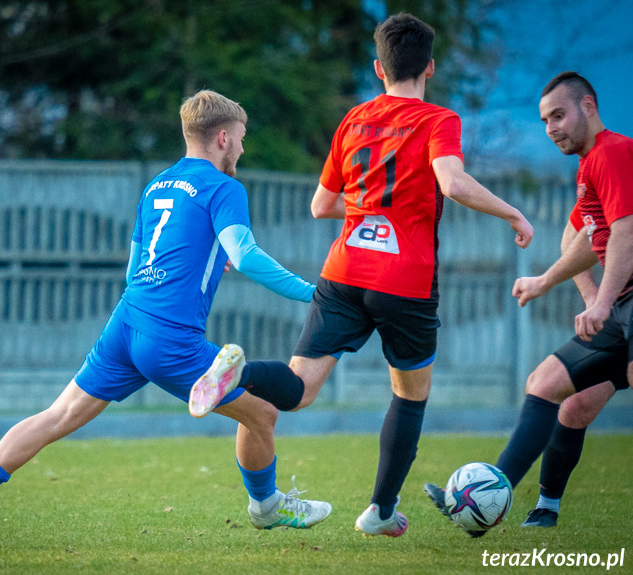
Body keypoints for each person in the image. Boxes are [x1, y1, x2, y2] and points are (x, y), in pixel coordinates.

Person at [0, 90, 332, 549]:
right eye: (241, 139)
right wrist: (313, 293)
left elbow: (135, 269)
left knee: (58, 414)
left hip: (126, 323)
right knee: (262, 412)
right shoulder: (225, 188)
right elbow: (245, 255)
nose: (242, 149)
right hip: (170, 338)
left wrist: (202, 258)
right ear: (223, 137)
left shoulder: (156, 185)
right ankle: (266, 507)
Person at [188, 13, 533, 539]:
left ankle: (239, 373)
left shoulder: (354, 119)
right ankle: (379, 510)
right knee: (410, 394)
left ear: (378, 68)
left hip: (345, 271)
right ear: (430, 68)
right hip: (406, 280)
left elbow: (320, 204)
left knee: (299, 389)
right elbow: (453, 181)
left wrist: (372, 206)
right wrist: (512, 213)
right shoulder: (438, 120)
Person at [425, 71, 633, 536]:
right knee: (551, 388)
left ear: (590, 106)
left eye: (559, 115)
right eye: (543, 120)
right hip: (620, 310)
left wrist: (599, 304)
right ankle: (493, 503)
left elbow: (625, 232)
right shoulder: (589, 166)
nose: (551, 128)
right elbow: (579, 239)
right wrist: (547, 283)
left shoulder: (615, 152)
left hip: (624, 305)